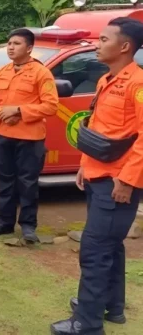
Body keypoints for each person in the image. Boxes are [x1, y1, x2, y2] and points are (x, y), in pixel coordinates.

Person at [51, 18, 143, 335]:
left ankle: (87, 323)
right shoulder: (108, 79)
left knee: (95, 249)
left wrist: (129, 180)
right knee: (110, 246)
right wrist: (83, 164)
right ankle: (110, 307)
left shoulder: (137, 84)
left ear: (125, 46)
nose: (98, 44)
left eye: (104, 39)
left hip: (118, 182)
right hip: (98, 174)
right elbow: (101, 130)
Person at [0, 28, 59, 243]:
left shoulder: (41, 73)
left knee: (27, 183)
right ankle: (4, 222)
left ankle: (28, 226)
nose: (10, 47)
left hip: (31, 138)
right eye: (9, 43)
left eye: (16, 43)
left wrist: (19, 111)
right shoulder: (2, 71)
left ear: (29, 48)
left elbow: (51, 105)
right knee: (4, 181)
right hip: (4, 135)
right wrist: (2, 114)